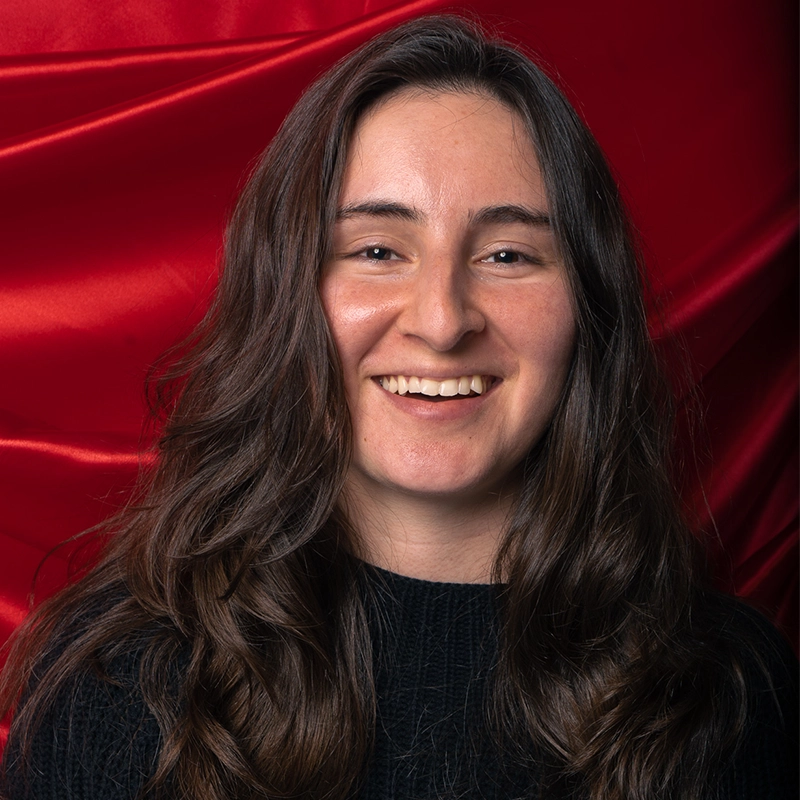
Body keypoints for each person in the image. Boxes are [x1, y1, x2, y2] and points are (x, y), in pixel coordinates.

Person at [0, 15, 796, 800]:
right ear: (290, 296)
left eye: (507, 255)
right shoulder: (115, 684)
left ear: (585, 308)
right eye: (378, 251)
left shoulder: (731, 694)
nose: (443, 320)